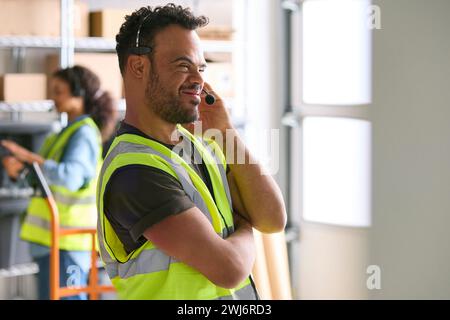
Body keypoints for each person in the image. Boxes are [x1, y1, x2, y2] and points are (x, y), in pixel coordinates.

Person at [97, 4, 286, 300]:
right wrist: (245, 225)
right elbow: (231, 267)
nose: (198, 80)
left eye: (201, 68)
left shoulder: (202, 143)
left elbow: (273, 218)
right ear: (138, 67)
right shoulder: (135, 171)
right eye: (183, 66)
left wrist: (226, 132)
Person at [1, 65, 117, 300]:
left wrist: (28, 157)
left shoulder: (82, 133)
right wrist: (19, 170)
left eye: (59, 91)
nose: (53, 98)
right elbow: (45, 178)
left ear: (79, 95)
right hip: (53, 240)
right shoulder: (64, 132)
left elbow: (70, 177)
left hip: (68, 240)